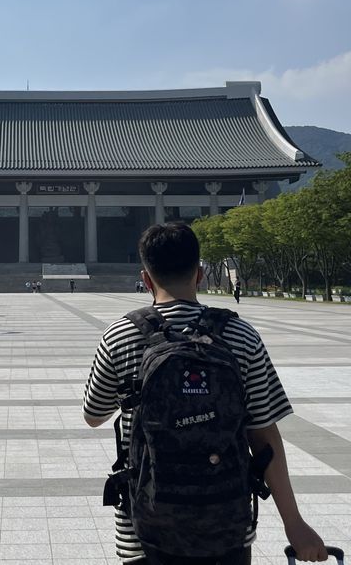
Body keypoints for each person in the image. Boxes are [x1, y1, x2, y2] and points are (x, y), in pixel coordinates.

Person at [83, 223, 326, 565]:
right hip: (225, 523)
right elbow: (264, 434)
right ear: (199, 274)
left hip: (144, 525)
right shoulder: (241, 334)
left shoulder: (120, 334)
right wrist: (295, 524)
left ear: (146, 278)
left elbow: (94, 415)